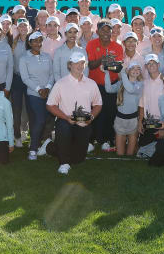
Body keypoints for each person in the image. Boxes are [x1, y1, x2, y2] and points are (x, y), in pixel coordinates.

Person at [46, 52, 103, 175]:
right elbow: (50, 105)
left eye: (82, 63)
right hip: (65, 121)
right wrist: (66, 117)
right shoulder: (61, 83)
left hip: (84, 123)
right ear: (70, 65)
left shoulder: (91, 83)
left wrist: (91, 117)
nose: (79, 65)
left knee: (78, 160)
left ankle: (51, 147)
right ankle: (64, 163)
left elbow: (98, 104)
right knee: (64, 127)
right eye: (76, 63)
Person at [87, 20, 124, 151]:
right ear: (97, 32)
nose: (106, 33)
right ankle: (91, 140)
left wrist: (108, 65)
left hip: (111, 85)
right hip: (95, 85)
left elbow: (118, 67)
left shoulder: (117, 46)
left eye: (108, 30)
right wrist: (103, 59)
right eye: (103, 30)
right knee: (94, 112)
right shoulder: (91, 44)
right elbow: (90, 65)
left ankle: (107, 140)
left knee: (110, 113)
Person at [20, 31, 55, 160]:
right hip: (34, 94)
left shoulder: (46, 56)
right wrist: (39, 89)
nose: (37, 43)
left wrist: (48, 88)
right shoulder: (24, 58)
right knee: (39, 120)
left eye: (40, 40)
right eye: (34, 41)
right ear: (29, 43)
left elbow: (52, 74)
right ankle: (33, 149)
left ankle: (44, 146)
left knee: (46, 121)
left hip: (48, 93)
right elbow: (25, 78)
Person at [104, 60, 144, 156]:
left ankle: (136, 146)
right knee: (120, 154)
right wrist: (106, 73)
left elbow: (130, 89)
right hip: (120, 120)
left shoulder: (140, 84)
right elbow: (108, 89)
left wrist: (122, 73)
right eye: (133, 68)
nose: (135, 70)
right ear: (128, 71)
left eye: (138, 68)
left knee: (130, 154)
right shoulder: (121, 83)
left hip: (133, 121)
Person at [10, 18, 31, 145]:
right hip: (17, 78)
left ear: (29, 27)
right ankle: (17, 136)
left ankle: (31, 136)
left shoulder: (34, 41)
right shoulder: (14, 43)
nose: (23, 28)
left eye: (25, 26)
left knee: (30, 108)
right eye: (20, 26)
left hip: (31, 79)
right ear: (17, 28)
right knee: (16, 109)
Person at [137, 54, 164, 150]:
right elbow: (142, 105)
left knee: (160, 150)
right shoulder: (144, 83)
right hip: (149, 122)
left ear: (158, 65)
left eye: (153, 63)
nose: (151, 65)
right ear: (145, 67)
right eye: (148, 64)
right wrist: (140, 122)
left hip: (163, 123)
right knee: (142, 149)